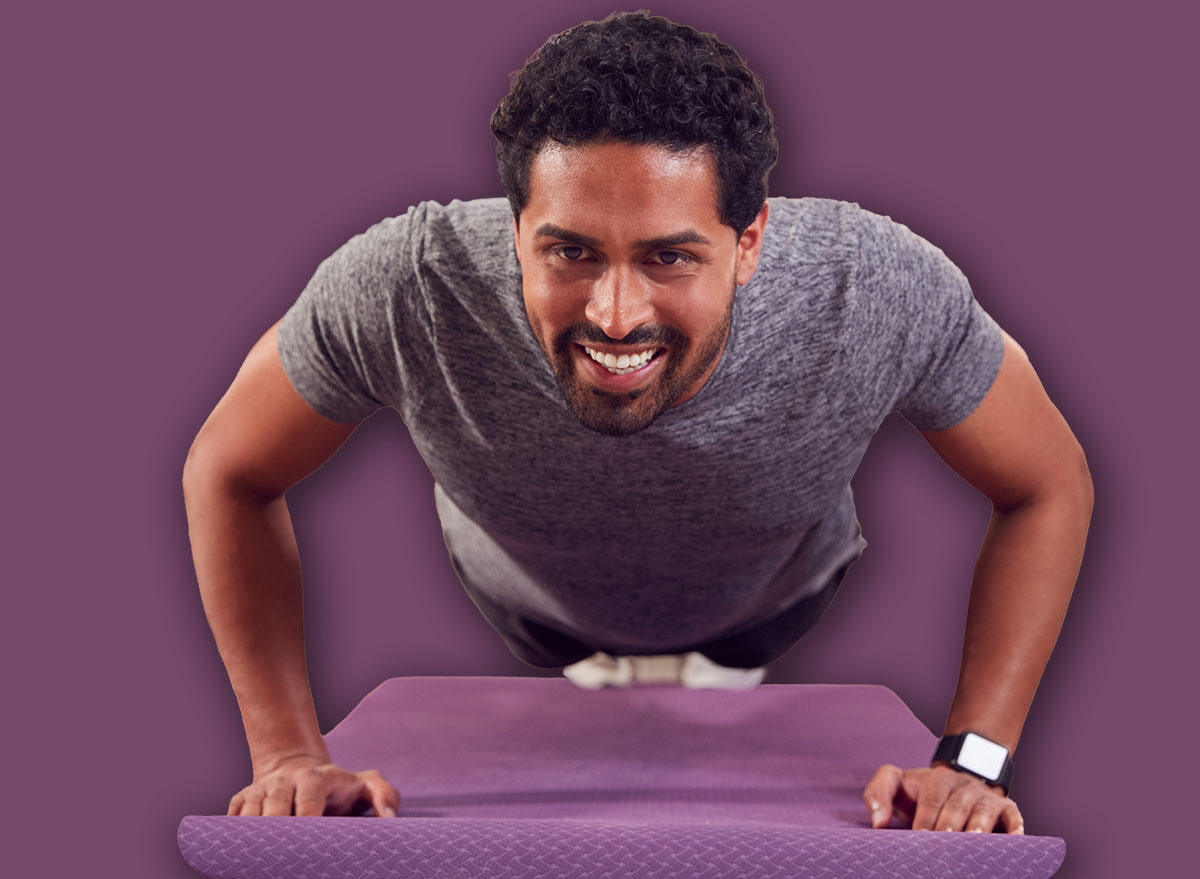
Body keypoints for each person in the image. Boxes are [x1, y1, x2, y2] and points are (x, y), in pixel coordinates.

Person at [182, 11, 1092, 836]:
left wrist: (971, 762)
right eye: (571, 250)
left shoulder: (875, 287)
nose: (615, 314)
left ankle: (693, 665)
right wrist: (286, 753)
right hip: (526, 606)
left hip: (770, 606)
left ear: (750, 243)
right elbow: (228, 467)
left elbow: (1048, 483)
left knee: (736, 644)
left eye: (668, 257)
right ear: (515, 229)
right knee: (555, 632)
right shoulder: (406, 284)